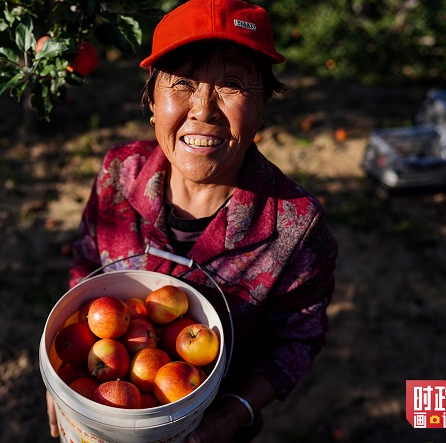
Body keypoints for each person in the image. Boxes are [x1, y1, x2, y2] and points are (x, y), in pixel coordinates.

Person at [47, 0, 338, 441]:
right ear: (151, 101)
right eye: (182, 82)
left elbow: (297, 340)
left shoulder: (295, 227)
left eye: (233, 85)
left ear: (262, 110)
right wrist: (62, 378)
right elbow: (87, 268)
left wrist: (231, 414)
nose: (203, 109)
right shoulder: (118, 174)